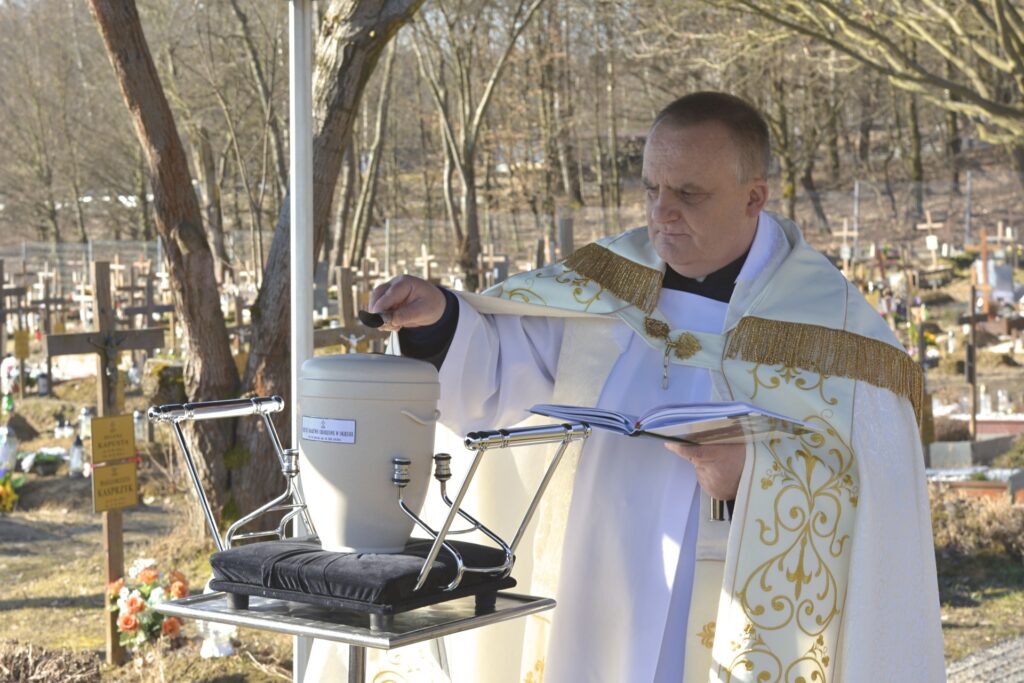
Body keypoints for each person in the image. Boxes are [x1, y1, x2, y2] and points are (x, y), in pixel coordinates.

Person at [367, 92, 945, 682]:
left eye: (689, 194)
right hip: (596, 586)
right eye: (651, 189)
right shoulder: (602, 285)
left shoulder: (833, 330)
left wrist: (754, 478)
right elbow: (495, 373)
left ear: (754, 197)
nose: (661, 213)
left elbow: (878, 491)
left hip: (729, 608)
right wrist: (439, 319)